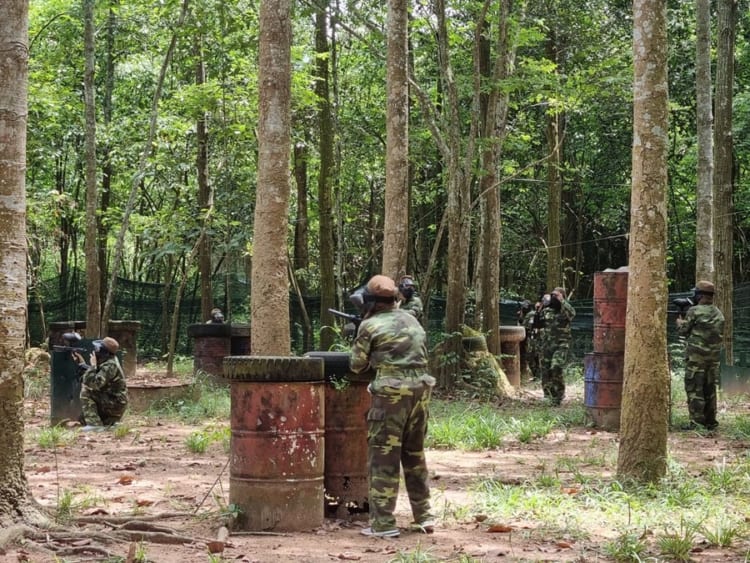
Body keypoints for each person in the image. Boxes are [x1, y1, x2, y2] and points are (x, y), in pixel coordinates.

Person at [350, 274, 436, 538]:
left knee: (383, 458)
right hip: (421, 391)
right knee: (414, 454)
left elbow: (356, 366)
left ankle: (384, 524)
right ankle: (424, 516)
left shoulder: (370, 325)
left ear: (369, 301)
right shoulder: (412, 319)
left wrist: (358, 334)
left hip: (391, 394)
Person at [676, 280, 724, 430]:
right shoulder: (718, 312)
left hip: (696, 359)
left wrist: (679, 321)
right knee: (709, 390)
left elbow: (683, 331)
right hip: (713, 360)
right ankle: (710, 421)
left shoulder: (694, 311)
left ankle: (697, 423)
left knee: (695, 389)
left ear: (700, 295)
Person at [74, 337, 128, 428]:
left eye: (98, 349)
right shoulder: (109, 361)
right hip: (113, 401)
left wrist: (93, 366)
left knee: (86, 391)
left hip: (115, 404)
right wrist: (82, 364)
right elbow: (97, 376)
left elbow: (94, 384)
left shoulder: (110, 365)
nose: (95, 351)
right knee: (83, 419)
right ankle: (110, 423)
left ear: (103, 352)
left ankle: (95, 427)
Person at [540, 287, 575, 405]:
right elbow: (538, 322)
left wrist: (562, 301)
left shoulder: (565, 309)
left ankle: (559, 394)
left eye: (557, 295)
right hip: (547, 344)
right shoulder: (547, 311)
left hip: (561, 344)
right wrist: (542, 305)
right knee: (545, 369)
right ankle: (548, 395)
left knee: (556, 366)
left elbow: (572, 314)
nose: (554, 297)